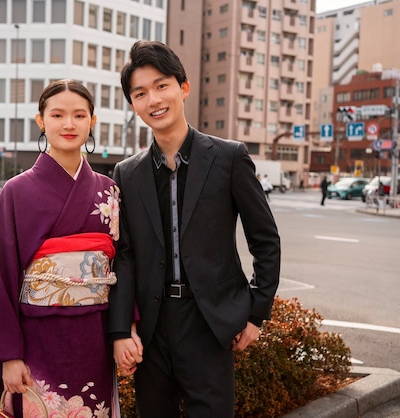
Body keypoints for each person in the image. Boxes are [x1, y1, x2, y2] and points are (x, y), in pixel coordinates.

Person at [109, 40, 281, 417]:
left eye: (161, 85)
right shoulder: (127, 173)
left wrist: (256, 313)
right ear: (133, 105)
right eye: (140, 93)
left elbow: (265, 240)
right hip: (152, 330)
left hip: (209, 323)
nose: (153, 99)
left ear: (183, 88)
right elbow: (125, 256)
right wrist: (122, 329)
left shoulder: (229, 157)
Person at [0, 80, 139, 417]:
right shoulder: (17, 191)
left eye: (79, 115)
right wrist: (8, 356)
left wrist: (124, 330)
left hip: (94, 339)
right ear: (41, 121)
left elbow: (124, 267)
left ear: (92, 122)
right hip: (35, 342)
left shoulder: (109, 192)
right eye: (57, 115)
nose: (68, 124)